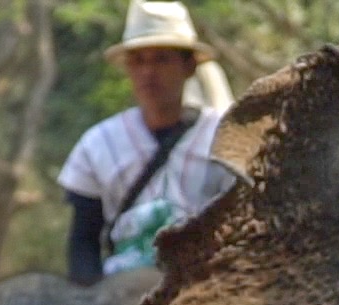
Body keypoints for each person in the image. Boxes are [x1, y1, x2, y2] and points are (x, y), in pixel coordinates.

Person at [59, 1, 234, 285]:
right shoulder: (97, 145)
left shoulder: (226, 137)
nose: (148, 72)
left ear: (188, 66)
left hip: (206, 295)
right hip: (120, 297)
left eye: (161, 59)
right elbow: (83, 242)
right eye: (138, 60)